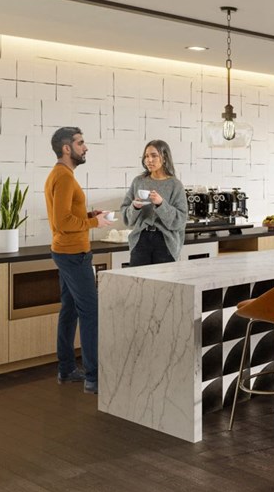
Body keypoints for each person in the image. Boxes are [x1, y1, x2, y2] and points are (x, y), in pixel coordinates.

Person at [45, 127, 110, 394]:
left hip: (66, 251)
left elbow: (66, 215)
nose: (86, 147)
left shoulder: (60, 175)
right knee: (91, 312)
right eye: (81, 143)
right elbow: (62, 222)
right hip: (74, 254)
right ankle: (94, 378)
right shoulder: (63, 177)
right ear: (66, 148)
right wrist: (95, 223)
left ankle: (67, 369)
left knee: (70, 310)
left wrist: (88, 215)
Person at [121, 140, 187, 266]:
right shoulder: (138, 181)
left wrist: (161, 204)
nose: (149, 160)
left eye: (154, 155)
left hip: (166, 241)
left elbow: (180, 221)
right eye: (146, 156)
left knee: (164, 279)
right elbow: (126, 218)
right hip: (140, 240)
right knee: (137, 278)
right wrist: (135, 207)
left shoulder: (175, 185)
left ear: (165, 157)